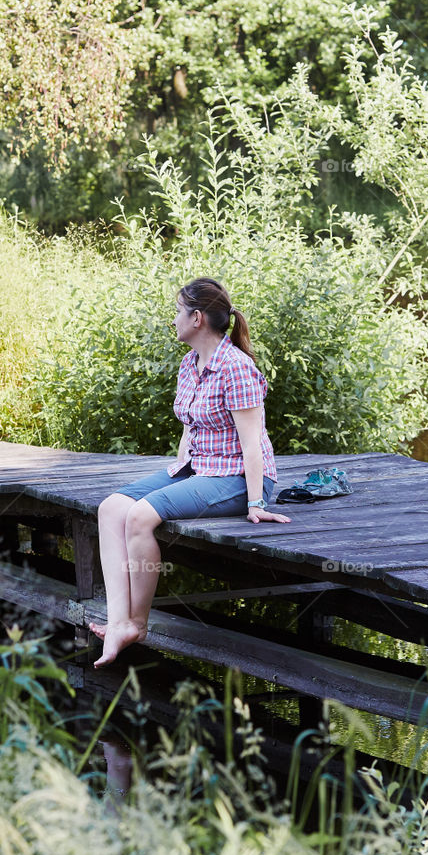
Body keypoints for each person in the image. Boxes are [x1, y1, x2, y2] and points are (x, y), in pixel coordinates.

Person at [88, 277, 290, 668]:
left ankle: (137, 624)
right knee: (111, 508)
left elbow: (252, 444)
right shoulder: (189, 363)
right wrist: (179, 473)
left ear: (197, 318)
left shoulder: (237, 368)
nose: (174, 319)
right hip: (200, 468)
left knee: (140, 517)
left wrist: (255, 501)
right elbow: (190, 426)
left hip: (237, 478)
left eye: (178, 312)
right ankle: (116, 622)